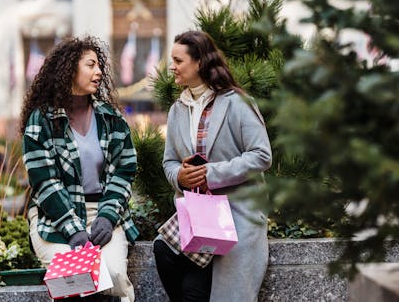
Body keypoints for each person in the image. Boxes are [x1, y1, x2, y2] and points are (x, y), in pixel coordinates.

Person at [153, 30, 272, 301]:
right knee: (163, 250)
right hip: (198, 216)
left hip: (236, 214)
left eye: (178, 60)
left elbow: (261, 155)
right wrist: (181, 178)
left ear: (199, 62)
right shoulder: (177, 109)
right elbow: (169, 161)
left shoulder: (237, 103)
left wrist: (211, 174)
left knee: (200, 292)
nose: (172, 67)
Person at [20, 36, 138, 302]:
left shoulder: (111, 118)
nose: (98, 72)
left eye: (99, 66)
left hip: (103, 213)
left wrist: (108, 217)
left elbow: (124, 170)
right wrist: (73, 230)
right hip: (56, 217)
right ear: (69, 69)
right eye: (90, 65)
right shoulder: (41, 121)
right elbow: (44, 182)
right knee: (73, 282)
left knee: (114, 277)